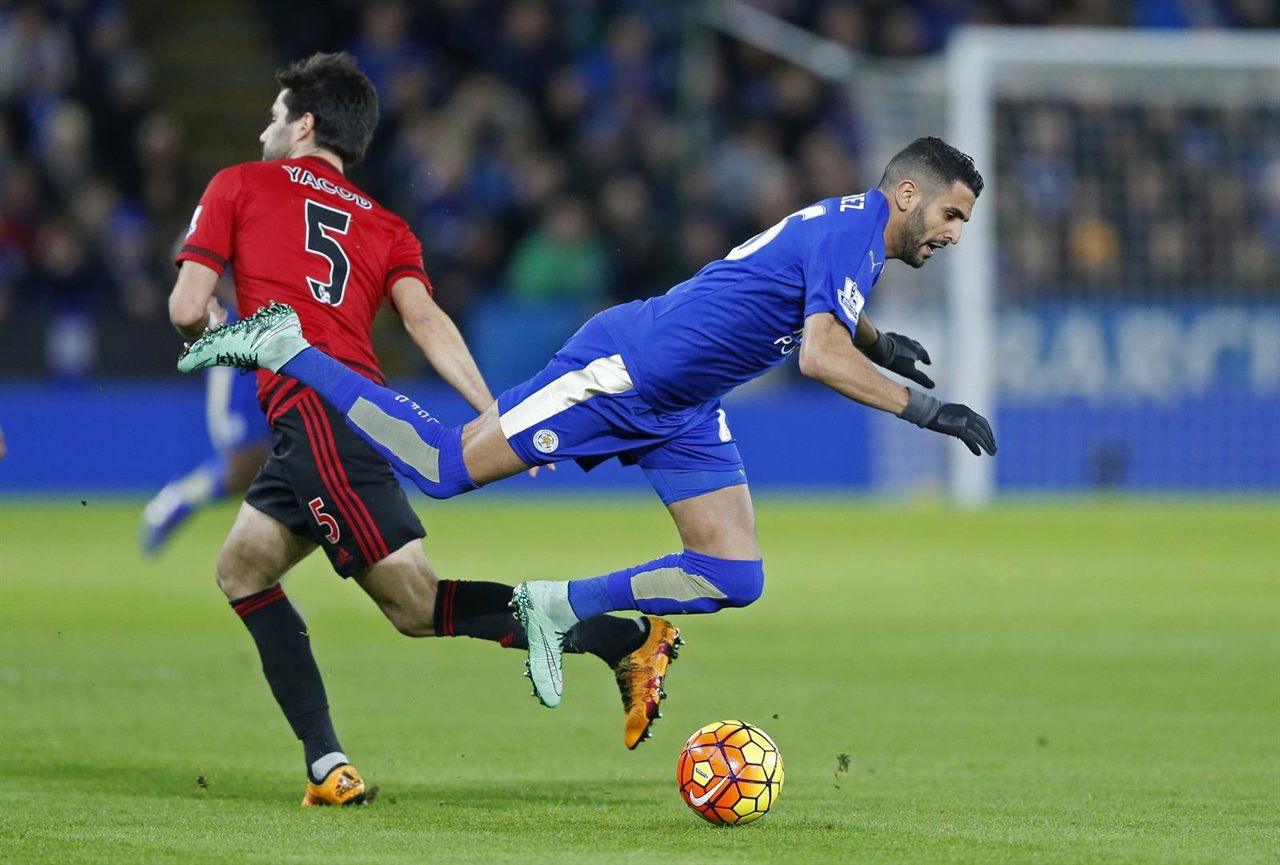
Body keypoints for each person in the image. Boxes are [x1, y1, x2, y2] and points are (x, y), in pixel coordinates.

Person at [179, 135, 997, 711]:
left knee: (733, 572)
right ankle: (288, 346)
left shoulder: (855, 233)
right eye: (952, 215)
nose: (955, 234)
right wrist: (929, 409)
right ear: (908, 194)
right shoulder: (855, 232)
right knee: (442, 468)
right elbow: (818, 355)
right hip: (621, 372)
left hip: (681, 407)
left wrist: (880, 342)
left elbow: (823, 309)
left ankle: (555, 604)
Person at [166, 52, 681, 807]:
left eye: (274, 117)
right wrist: (493, 411)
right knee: (242, 569)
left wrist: (211, 322)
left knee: (414, 605)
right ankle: (327, 767)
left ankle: (623, 641)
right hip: (354, 411)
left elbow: (187, 308)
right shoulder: (386, 226)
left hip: (314, 414)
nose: (263, 130)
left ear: (305, 125)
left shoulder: (237, 184)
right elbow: (426, 320)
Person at [140, 293, 273, 555]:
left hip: (285, 336)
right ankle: (180, 498)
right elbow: (193, 274)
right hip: (241, 339)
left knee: (284, 457)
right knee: (244, 465)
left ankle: (271, 566)